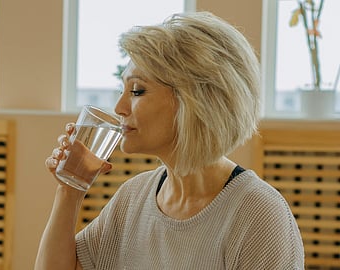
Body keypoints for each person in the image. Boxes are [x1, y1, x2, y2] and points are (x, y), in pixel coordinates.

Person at [35, 11, 304, 270]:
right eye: (123, 90)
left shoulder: (258, 214)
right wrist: (70, 190)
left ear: (194, 100)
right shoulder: (133, 197)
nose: (119, 107)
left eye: (137, 91)